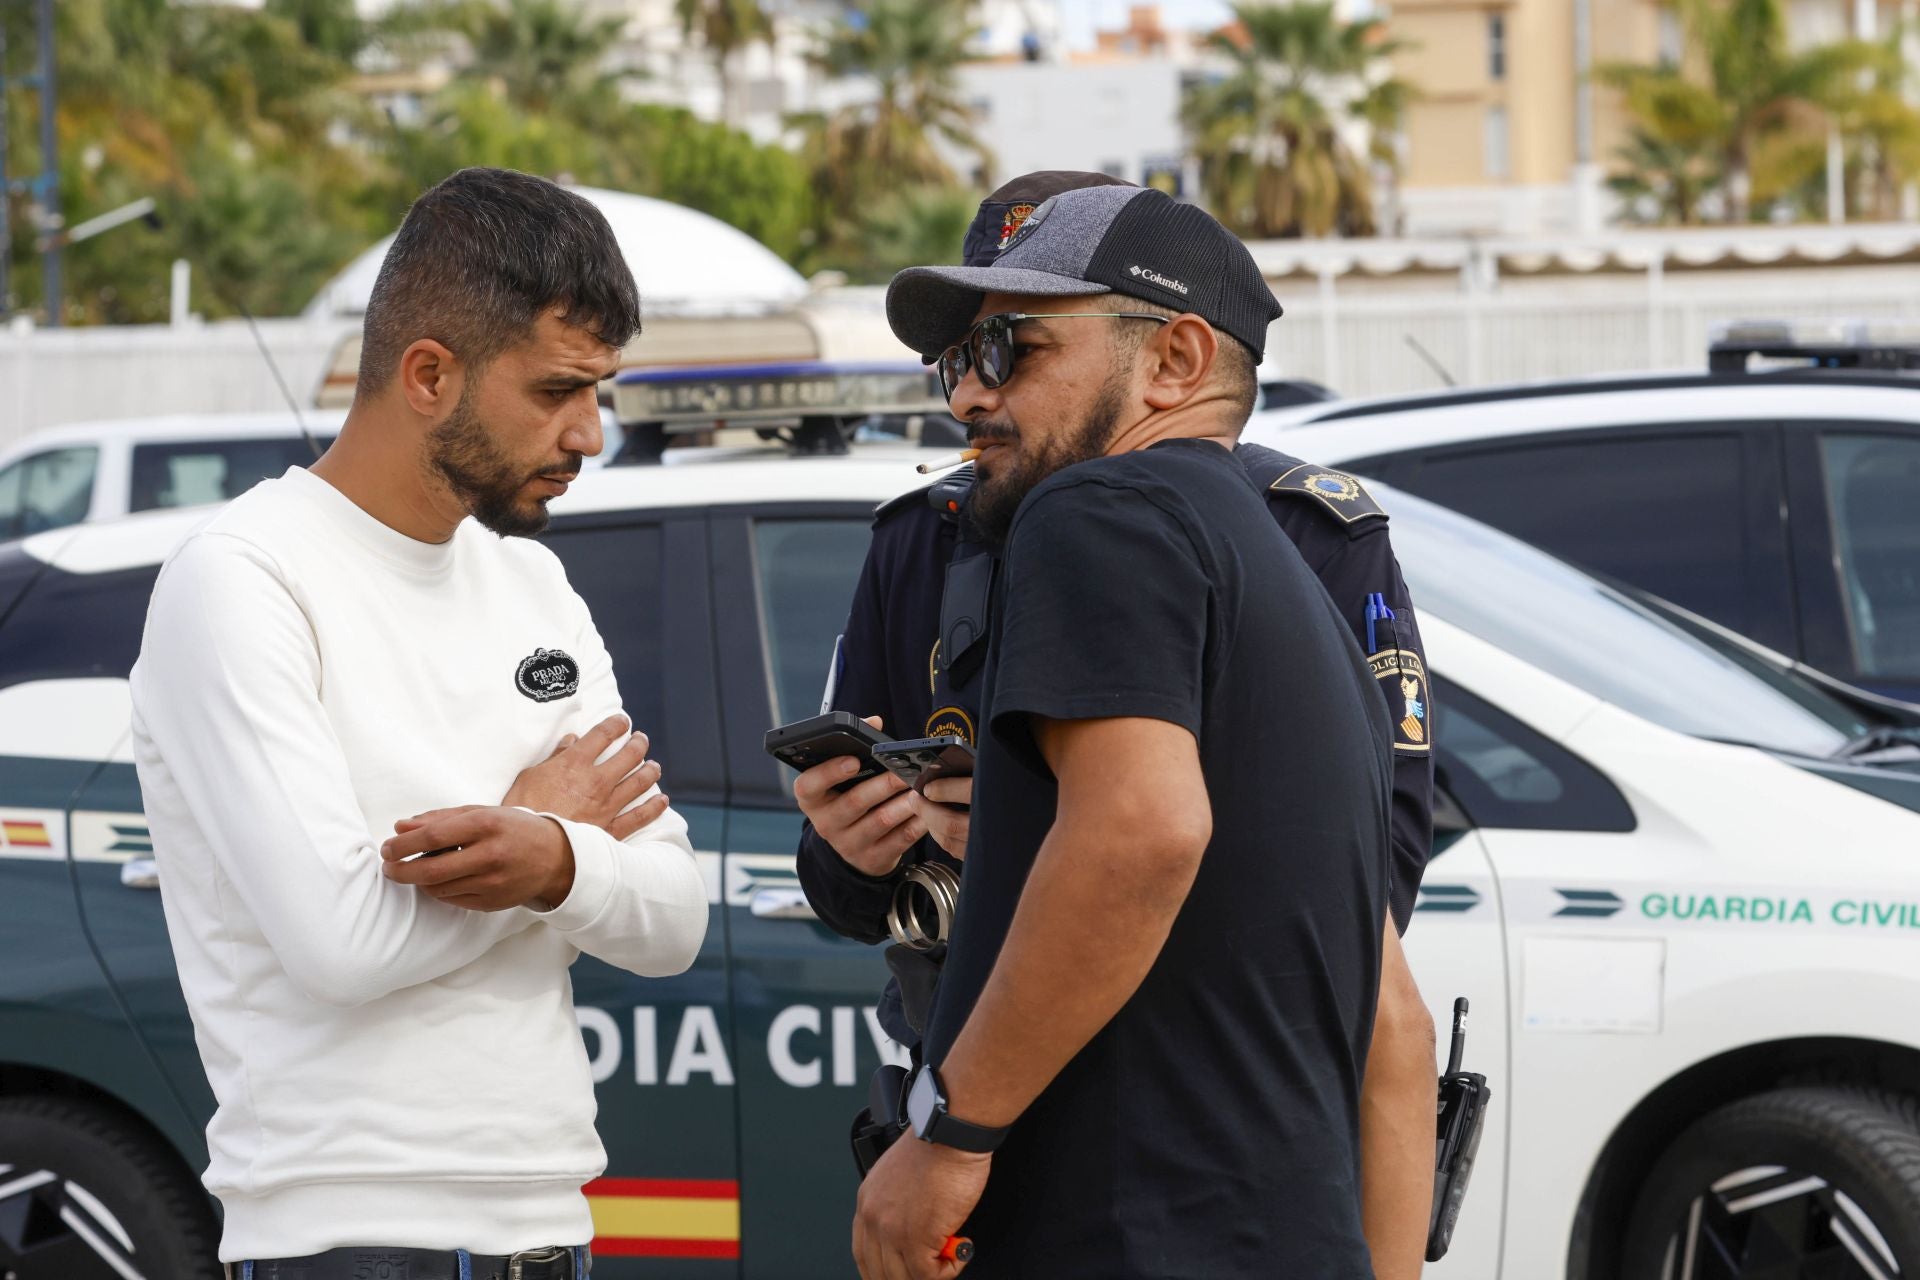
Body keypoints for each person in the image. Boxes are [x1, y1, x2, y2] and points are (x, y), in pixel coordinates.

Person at [795, 172, 1437, 1277]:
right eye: (959, 361)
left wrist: (950, 1133)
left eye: (1013, 351)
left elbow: (1140, 830)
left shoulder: (1099, 506)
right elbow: (1398, 1031)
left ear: (1175, 360)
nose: (968, 399)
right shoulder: (1286, 586)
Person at [129, 167, 708, 1280]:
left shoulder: (533, 586)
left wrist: (546, 859)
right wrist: (550, 838)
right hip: (343, 1235)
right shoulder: (242, 580)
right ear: (429, 373)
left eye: (601, 389)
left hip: (549, 1224)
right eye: (555, 390)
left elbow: (675, 918)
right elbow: (341, 943)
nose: (590, 432)